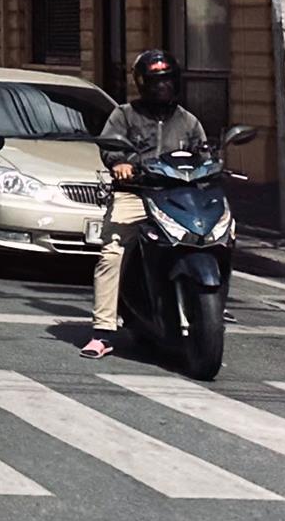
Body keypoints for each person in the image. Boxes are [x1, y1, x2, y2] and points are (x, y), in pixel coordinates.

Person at [82, 48, 209, 360]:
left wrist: (212, 168)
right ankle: (103, 330)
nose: (163, 86)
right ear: (142, 84)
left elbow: (204, 155)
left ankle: (209, 304)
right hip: (135, 193)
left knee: (212, 239)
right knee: (113, 251)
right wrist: (120, 163)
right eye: (155, 81)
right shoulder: (125, 115)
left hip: (178, 197)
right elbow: (109, 145)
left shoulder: (189, 121)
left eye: (167, 80)